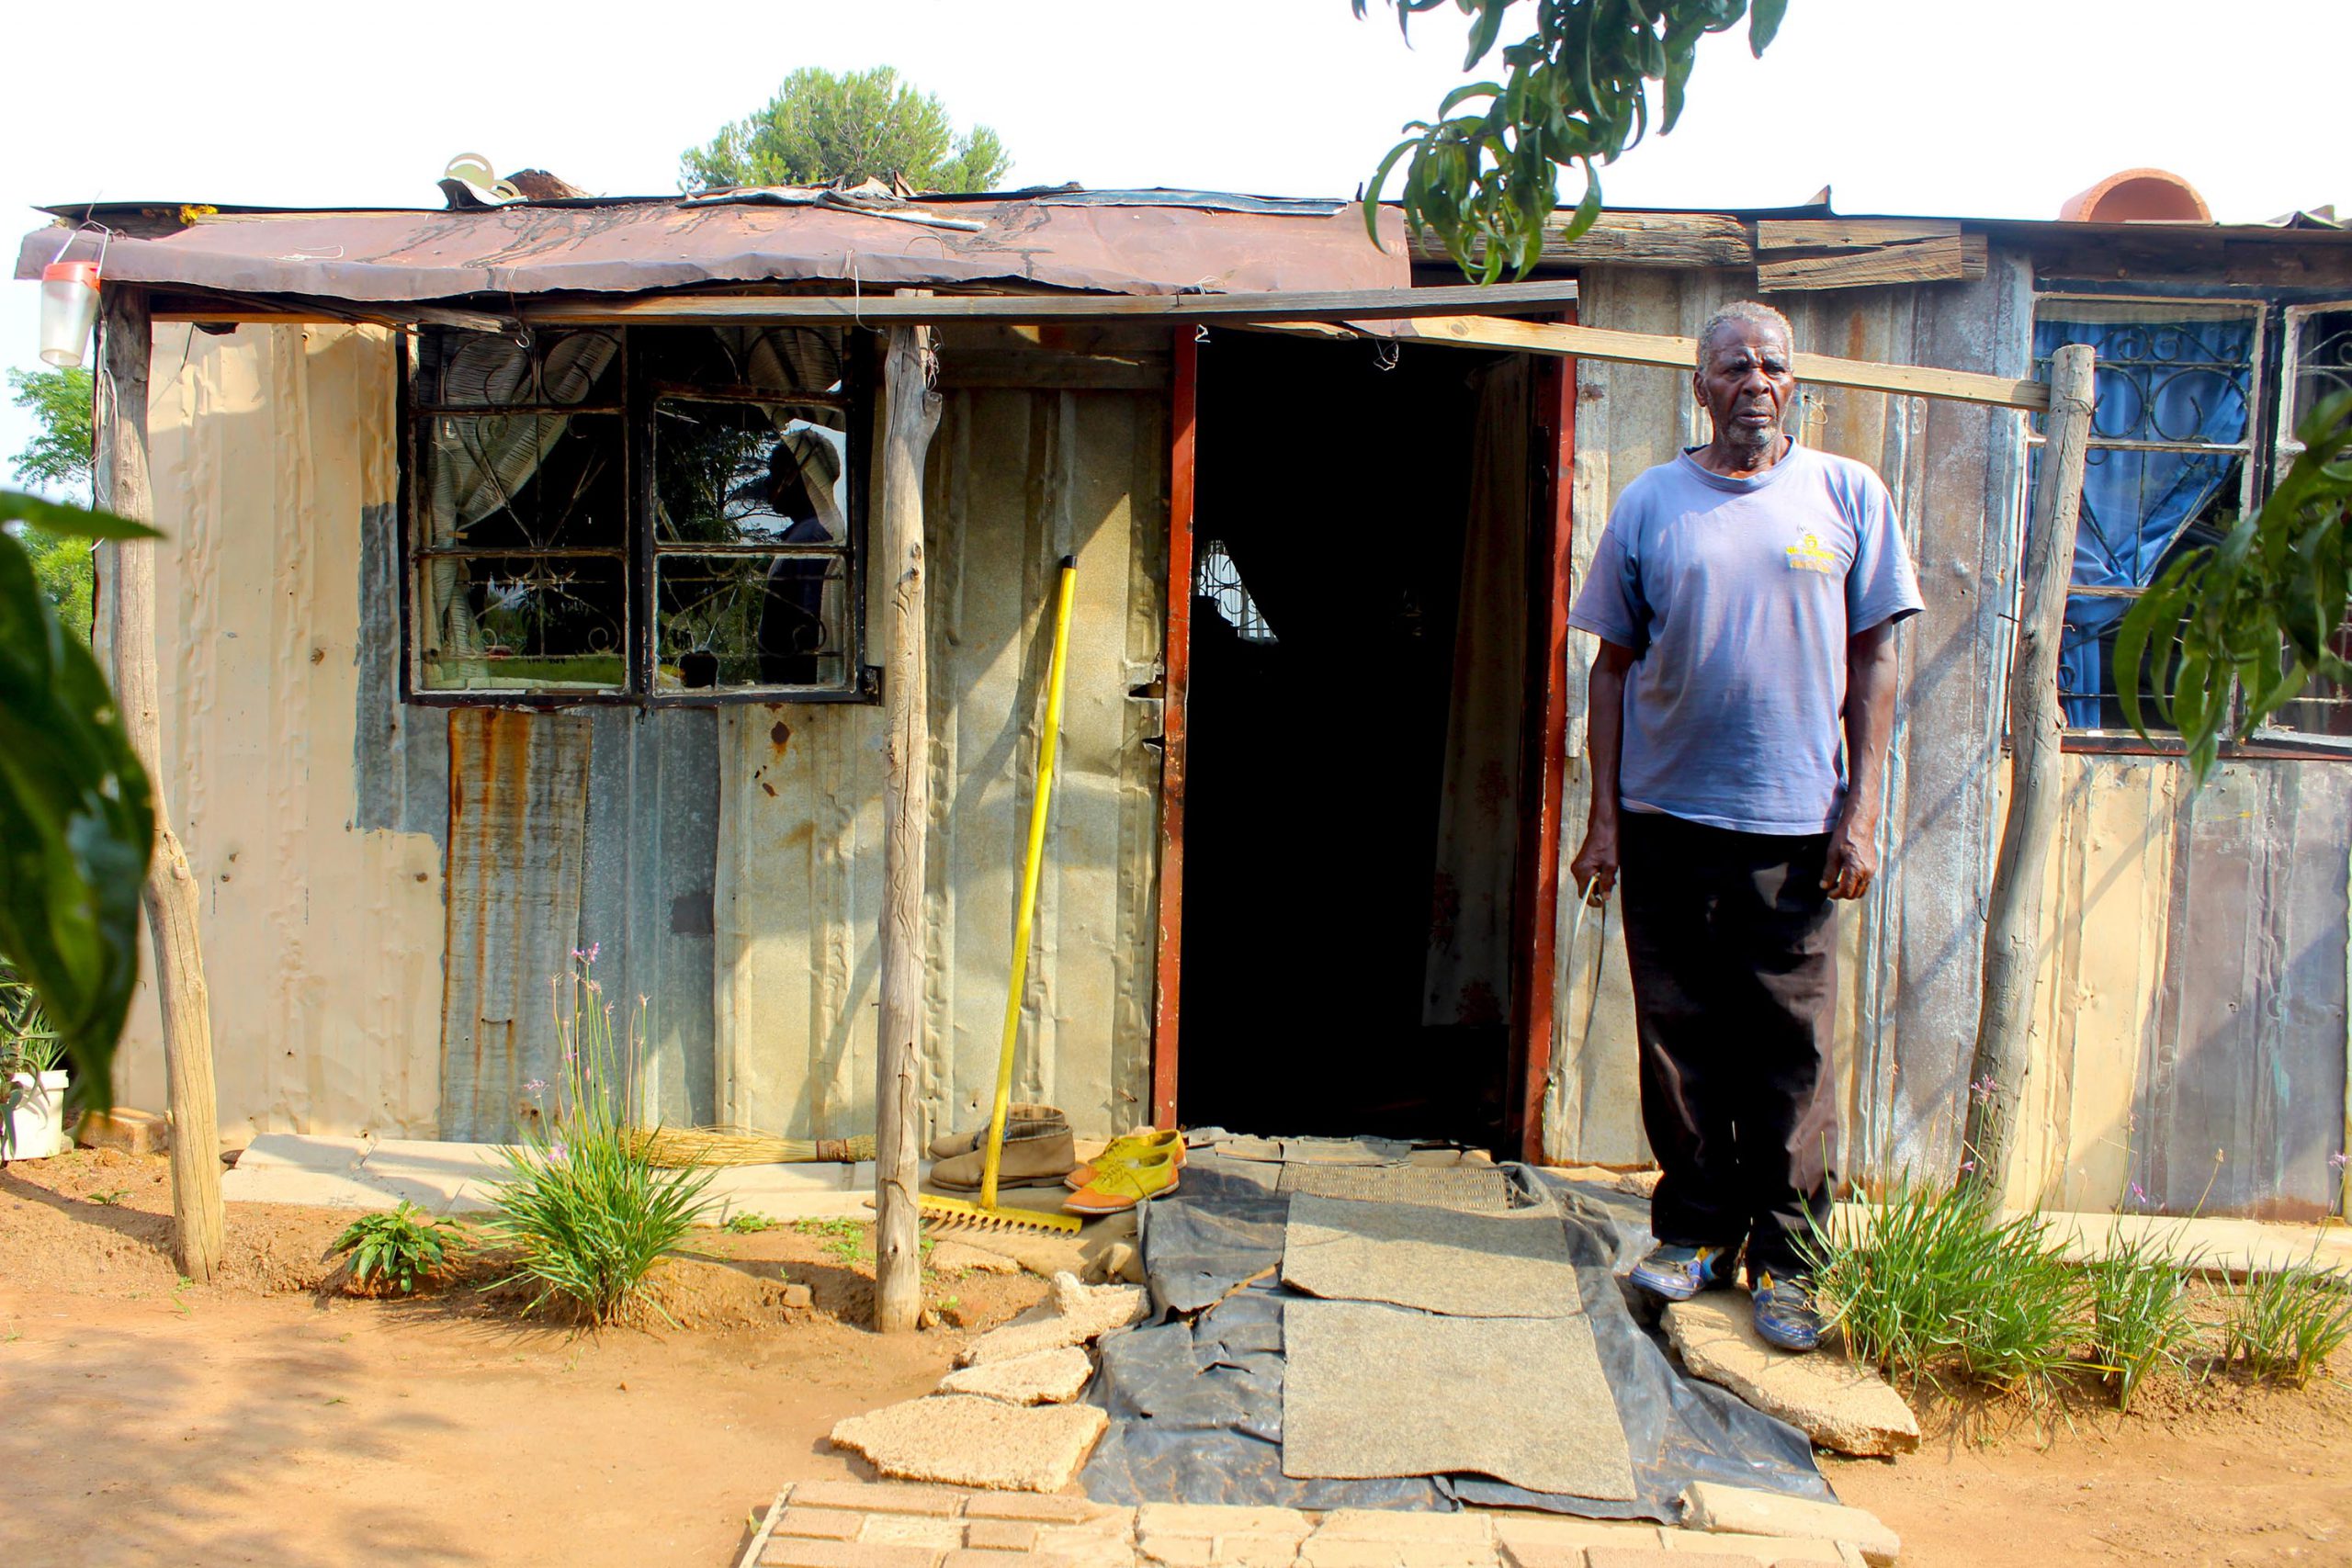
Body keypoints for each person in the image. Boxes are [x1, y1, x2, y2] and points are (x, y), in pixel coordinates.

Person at [1566, 300, 1922, 1353]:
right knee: (1676, 1040)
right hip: (1666, 819)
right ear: (1700, 385)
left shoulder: (1847, 494)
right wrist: (1602, 824)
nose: (1753, 381)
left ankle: (1789, 1261)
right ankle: (1693, 1234)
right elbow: (1609, 672)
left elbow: (1876, 666)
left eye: (1770, 364)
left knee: (1788, 1053)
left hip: (1794, 831)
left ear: (1793, 381)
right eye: (1733, 366)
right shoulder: (1650, 505)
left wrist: (1858, 814)